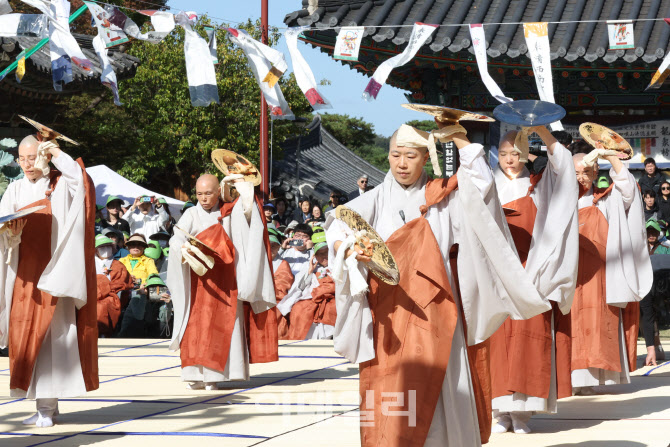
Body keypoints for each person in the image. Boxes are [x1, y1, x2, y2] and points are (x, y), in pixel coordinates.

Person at [325, 121, 551, 447]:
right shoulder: (373, 200)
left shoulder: (443, 199)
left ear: (425, 158)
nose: (402, 164)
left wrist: (460, 138)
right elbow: (338, 226)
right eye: (396, 155)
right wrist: (347, 249)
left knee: (444, 389)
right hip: (389, 315)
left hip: (437, 309)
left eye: (411, 156)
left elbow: (482, 186)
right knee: (390, 391)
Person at [0, 133, 98, 427]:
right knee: (26, 338)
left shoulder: (59, 186)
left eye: (33, 157)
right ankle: (45, 405)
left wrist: (55, 150)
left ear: (43, 156)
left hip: (54, 274)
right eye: (22, 158)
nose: (27, 164)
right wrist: (10, 235)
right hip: (23, 276)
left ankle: (47, 406)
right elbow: (4, 223)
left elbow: (79, 179)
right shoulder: (15, 188)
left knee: (52, 340)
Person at [489, 127, 579, 434]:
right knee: (497, 340)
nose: (510, 161)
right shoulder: (486, 185)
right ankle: (500, 411)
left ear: (527, 154)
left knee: (528, 341)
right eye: (503, 154)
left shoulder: (539, 185)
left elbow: (565, 169)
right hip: (496, 275)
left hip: (532, 273)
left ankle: (522, 413)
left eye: (515, 154)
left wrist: (545, 133)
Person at [167, 174, 277, 391]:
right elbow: (176, 236)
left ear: (219, 191)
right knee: (195, 327)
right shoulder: (191, 212)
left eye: (208, 193)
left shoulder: (228, 212)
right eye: (199, 194)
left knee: (223, 326)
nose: (204, 198)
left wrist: (244, 189)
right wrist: (182, 247)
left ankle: (218, 374)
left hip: (226, 280)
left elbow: (249, 216)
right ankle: (196, 375)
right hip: (199, 281)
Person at [571, 147, 653, 395]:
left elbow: (628, 191)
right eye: (575, 172)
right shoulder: (556, 200)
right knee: (570, 324)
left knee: (597, 325)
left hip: (598, 276)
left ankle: (589, 379)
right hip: (569, 276)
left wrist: (611, 158)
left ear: (596, 172)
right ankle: (568, 378)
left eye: (586, 171)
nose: (581, 177)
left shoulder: (605, 198)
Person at [278, 233, 336, 340]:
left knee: (332, 308)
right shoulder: (310, 266)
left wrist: (323, 290)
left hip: (333, 298)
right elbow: (300, 287)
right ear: (315, 255)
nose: (324, 257)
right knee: (299, 309)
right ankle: (300, 342)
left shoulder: (339, 264)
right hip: (311, 298)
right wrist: (309, 272)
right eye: (320, 254)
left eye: (326, 252)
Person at [94, 234, 134, 337]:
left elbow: (122, 283)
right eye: (102, 247)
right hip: (90, 295)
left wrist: (103, 286)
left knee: (103, 306)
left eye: (108, 246)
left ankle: (103, 333)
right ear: (95, 250)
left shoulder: (118, 265)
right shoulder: (88, 264)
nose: (105, 249)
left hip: (111, 295)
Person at [269, 227, 294, 339]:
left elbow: (282, 287)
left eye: (274, 245)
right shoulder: (258, 261)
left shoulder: (282, 264)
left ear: (279, 246)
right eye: (268, 245)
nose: (270, 248)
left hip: (275, 300)